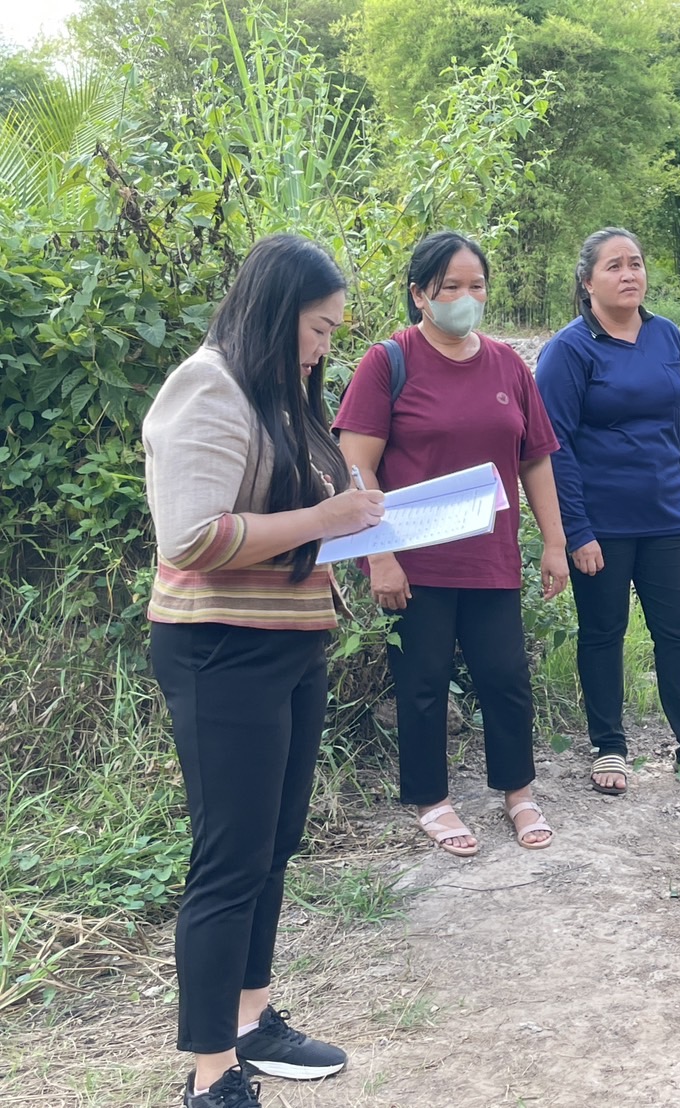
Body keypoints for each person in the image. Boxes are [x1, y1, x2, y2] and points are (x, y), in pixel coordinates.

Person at [145, 234, 385, 1108]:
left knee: (273, 844)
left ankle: (252, 1019)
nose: (325, 348)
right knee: (229, 857)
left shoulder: (281, 395)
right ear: (279, 312)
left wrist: (357, 518)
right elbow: (193, 537)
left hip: (290, 642)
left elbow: (299, 519)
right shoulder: (207, 386)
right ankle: (210, 1074)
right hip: (222, 650)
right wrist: (328, 512)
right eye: (319, 329)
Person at [335, 231, 567, 857]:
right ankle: (431, 801)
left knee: (506, 678)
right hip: (414, 563)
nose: (467, 298)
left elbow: (536, 460)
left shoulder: (508, 365)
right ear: (419, 295)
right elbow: (357, 464)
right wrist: (377, 554)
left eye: (477, 286)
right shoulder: (389, 362)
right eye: (451, 288)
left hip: (490, 557)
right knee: (423, 683)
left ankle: (517, 793)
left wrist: (553, 540)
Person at [534, 227, 680, 797]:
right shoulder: (570, 350)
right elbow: (551, 446)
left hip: (662, 518)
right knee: (602, 634)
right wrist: (574, 530)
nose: (629, 274)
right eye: (614, 266)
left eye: (635, 264)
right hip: (600, 526)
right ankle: (609, 745)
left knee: (679, 636)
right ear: (587, 282)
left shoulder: (667, 338)